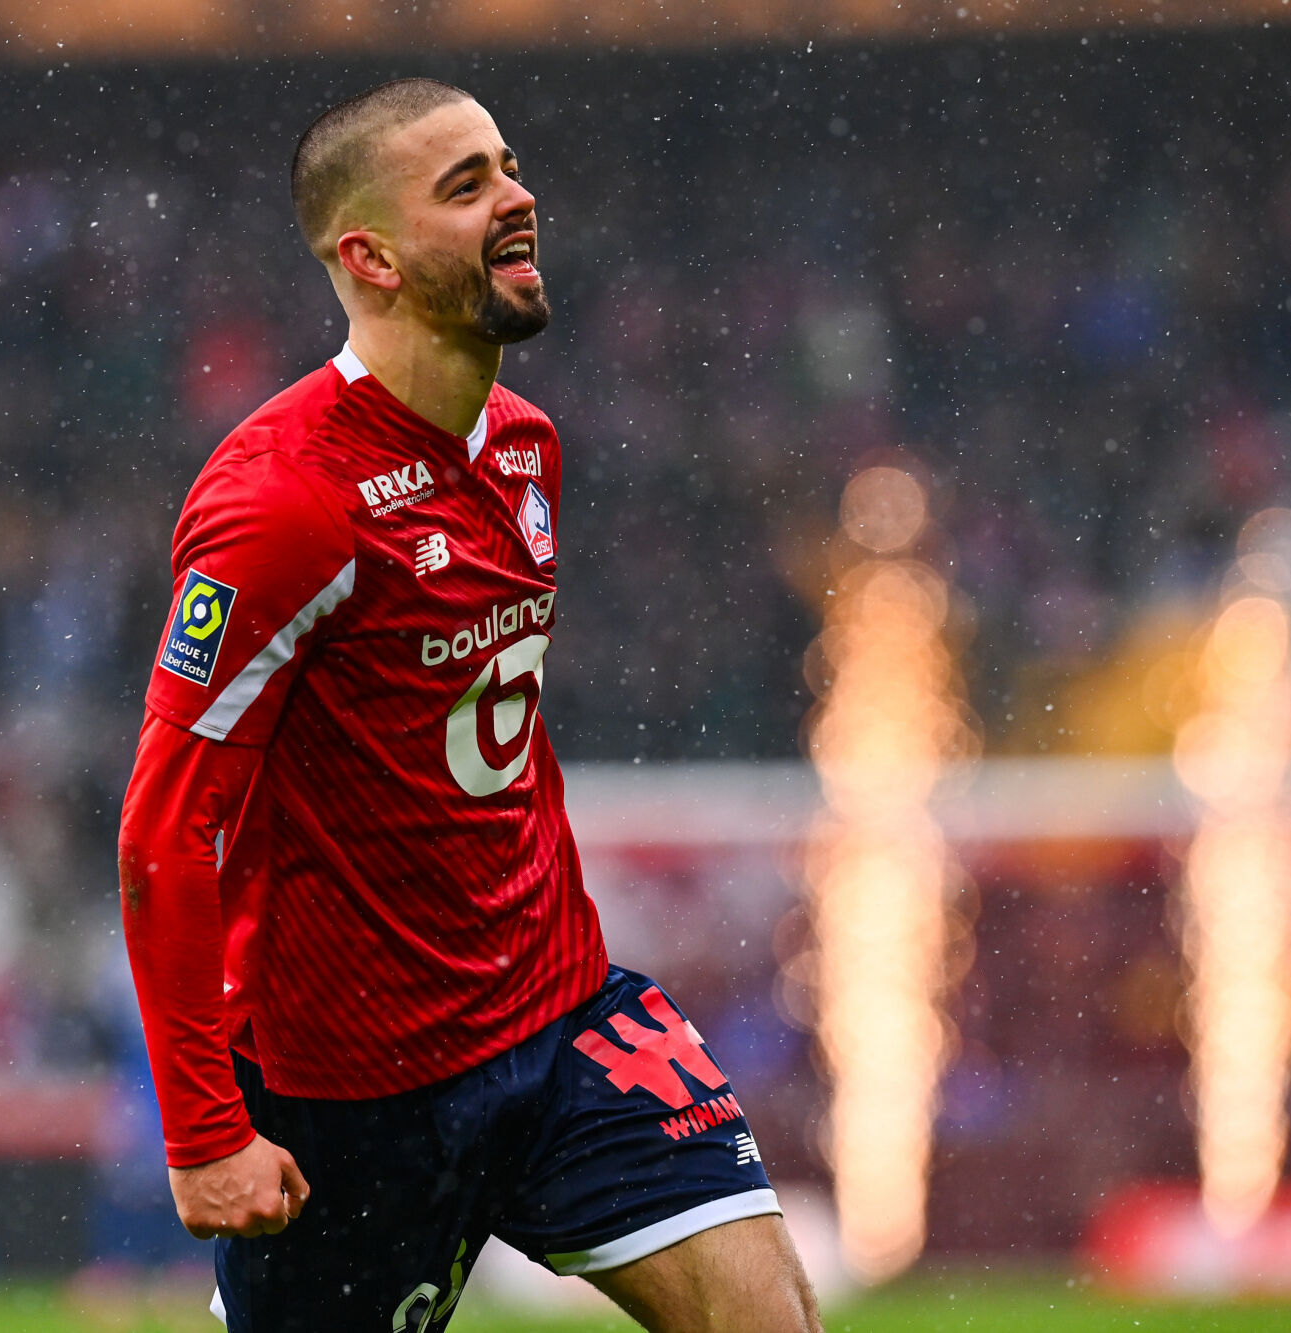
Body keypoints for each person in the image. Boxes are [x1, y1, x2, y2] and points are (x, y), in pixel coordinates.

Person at [116, 77, 823, 1332]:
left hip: (560, 1019)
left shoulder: (523, 444)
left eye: (507, 166)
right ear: (369, 258)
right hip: (355, 1095)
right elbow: (164, 831)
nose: (516, 198)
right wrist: (202, 1131)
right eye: (466, 186)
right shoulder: (282, 503)